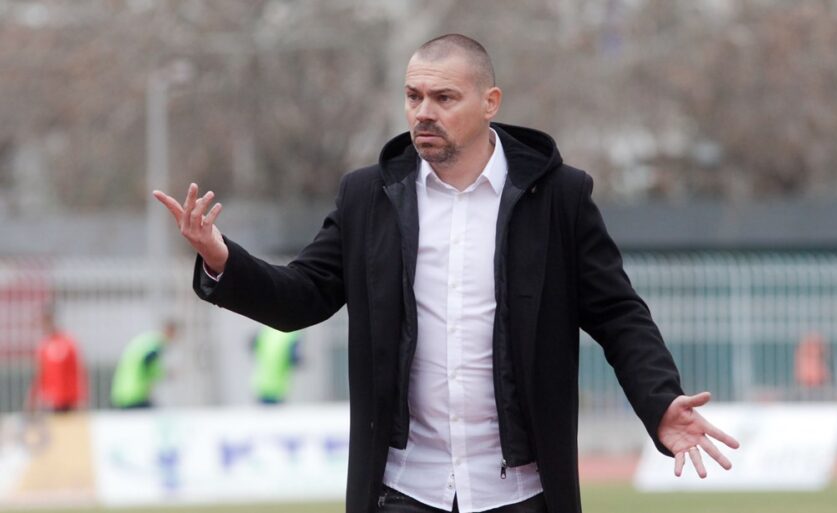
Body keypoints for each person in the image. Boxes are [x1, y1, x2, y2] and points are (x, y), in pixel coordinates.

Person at [154, 34, 739, 513]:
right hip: (402, 489)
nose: (423, 112)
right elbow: (301, 297)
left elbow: (617, 314)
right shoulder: (368, 197)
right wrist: (222, 258)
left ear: (490, 102)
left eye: (443, 97)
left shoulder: (559, 197)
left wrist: (659, 400)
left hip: (521, 492)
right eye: (413, 96)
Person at [28, 306, 87, 413]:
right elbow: (40, 374)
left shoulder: (68, 343)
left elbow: (78, 372)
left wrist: (81, 399)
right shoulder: (43, 346)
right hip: (49, 402)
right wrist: (33, 398)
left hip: (68, 402)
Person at [110, 319, 177, 409]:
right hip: (134, 394)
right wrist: (164, 374)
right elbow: (147, 363)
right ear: (170, 332)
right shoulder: (156, 344)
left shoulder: (147, 340)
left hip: (123, 393)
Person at [251, 325, 302, 404]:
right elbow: (295, 359)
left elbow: (253, 346)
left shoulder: (265, 331)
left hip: (261, 385)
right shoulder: (292, 336)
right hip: (279, 387)